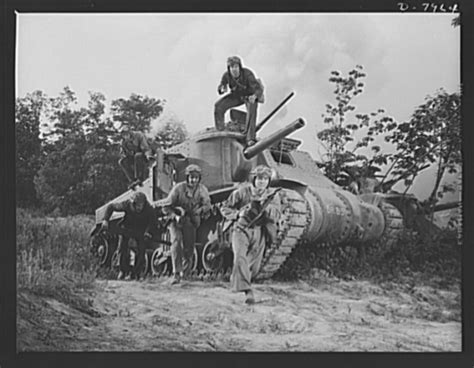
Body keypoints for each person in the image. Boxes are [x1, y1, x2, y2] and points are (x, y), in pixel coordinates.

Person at [220, 165, 281, 305]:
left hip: (259, 231)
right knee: (240, 257)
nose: (262, 182)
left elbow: (277, 214)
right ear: (254, 179)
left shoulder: (272, 196)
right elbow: (224, 207)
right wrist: (237, 214)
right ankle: (247, 291)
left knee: (254, 265)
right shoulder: (242, 192)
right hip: (241, 229)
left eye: (265, 179)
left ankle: (240, 279)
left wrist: (267, 208)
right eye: (259, 178)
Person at [163, 164, 211, 285]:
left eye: (196, 177)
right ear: (187, 177)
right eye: (191, 177)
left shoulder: (202, 190)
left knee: (189, 247)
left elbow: (207, 205)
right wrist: (176, 216)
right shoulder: (178, 189)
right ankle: (176, 273)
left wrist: (200, 211)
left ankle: (185, 273)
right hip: (176, 220)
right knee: (177, 242)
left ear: (199, 178)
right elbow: (166, 206)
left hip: (190, 220)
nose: (193, 180)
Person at [101, 191, 156, 280]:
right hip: (127, 228)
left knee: (142, 250)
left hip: (140, 230)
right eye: (138, 205)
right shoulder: (126, 204)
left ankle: (136, 273)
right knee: (122, 247)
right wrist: (105, 219)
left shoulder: (149, 209)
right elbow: (111, 206)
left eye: (141, 205)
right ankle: (123, 270)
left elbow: (153, 222)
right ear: (133, 204)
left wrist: (148, 231)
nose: (139, 207)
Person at [214, 56, 264, 146]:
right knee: (218, 106)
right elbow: (221, 86)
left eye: (236, 67)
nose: (234, 70)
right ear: (229, 68)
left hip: (249, 96)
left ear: (240, 67)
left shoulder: (248, 74)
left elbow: (258, 89)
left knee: (252, 109)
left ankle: (250, 138)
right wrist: (221, 89)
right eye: (232, 67)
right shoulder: (226, 75)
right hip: (236, 96)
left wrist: (255, 96)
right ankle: (220, 130)